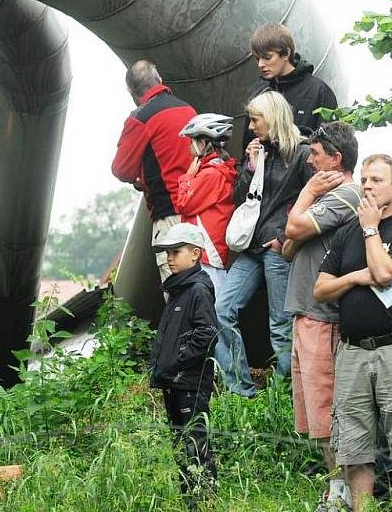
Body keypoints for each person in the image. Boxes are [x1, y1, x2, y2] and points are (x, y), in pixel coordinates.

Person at [314, 154, 392, 512]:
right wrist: (354, 278)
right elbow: (320, 288)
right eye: (363, 179)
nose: (366, 186)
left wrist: (370, 230)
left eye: (376, 180)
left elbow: (383, 272)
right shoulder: (346, 231)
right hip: (351, 352)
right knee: (353, 444)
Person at [281, 121, 361, 512]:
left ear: (336, 159)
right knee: (314, 418)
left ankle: (343, 498)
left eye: (315, 154)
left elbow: (292, 230)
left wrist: (307, 194)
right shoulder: (325, 199)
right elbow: (287, 245)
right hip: (305, 315)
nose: (309, 161)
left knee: (329, 416)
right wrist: (298, 224)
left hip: (323, 319)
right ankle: (336, 489)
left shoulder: (345, 194)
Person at [214, 91, 312, 397]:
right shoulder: (259, 152)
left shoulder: (302, 153)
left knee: (281, 325)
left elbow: (315, 202)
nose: (252, 126)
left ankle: (284, 399)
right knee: (220, 309)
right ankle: (241, 389)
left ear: (272, 118)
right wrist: (251, 166)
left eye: (256, 120)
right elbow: (238, 198)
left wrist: (284, 237)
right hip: (252, 246)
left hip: (277, 247)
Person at [150, 222, 219, 510]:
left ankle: (204, 504)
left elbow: (208, 332)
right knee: (180, 443)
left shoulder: (198, 289)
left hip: (189, 382)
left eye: (175, 251)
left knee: (195, 441)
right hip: (174, 382)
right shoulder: (180, 289)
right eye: (166, 252)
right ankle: (189, 503)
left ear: (195, 253)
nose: (169, 258)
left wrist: (177, 362)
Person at [112, 60, 197, 282]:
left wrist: (141, 178)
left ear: (129, 90)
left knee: (177, 290)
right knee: (202, 288)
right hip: (200, 212)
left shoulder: (141, 117)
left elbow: (121, 170)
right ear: (159, 80)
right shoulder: (188, 109)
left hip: (169, 214)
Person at [175, 113, 239, 297]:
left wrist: (187, 177)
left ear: (202, 144)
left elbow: (184, 204)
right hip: (207, 254)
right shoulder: (215, 170)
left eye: (191, 142)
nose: (189, 147)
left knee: (209, 313)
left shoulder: (211, 174)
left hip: (207, 255)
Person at [243, 23, 337, 147]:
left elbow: (330, 148)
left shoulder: (319, 92)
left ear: (286, 53)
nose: (261, 64)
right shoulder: (258, 93)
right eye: (257, 58)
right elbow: (246, 143)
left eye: (267, 57)